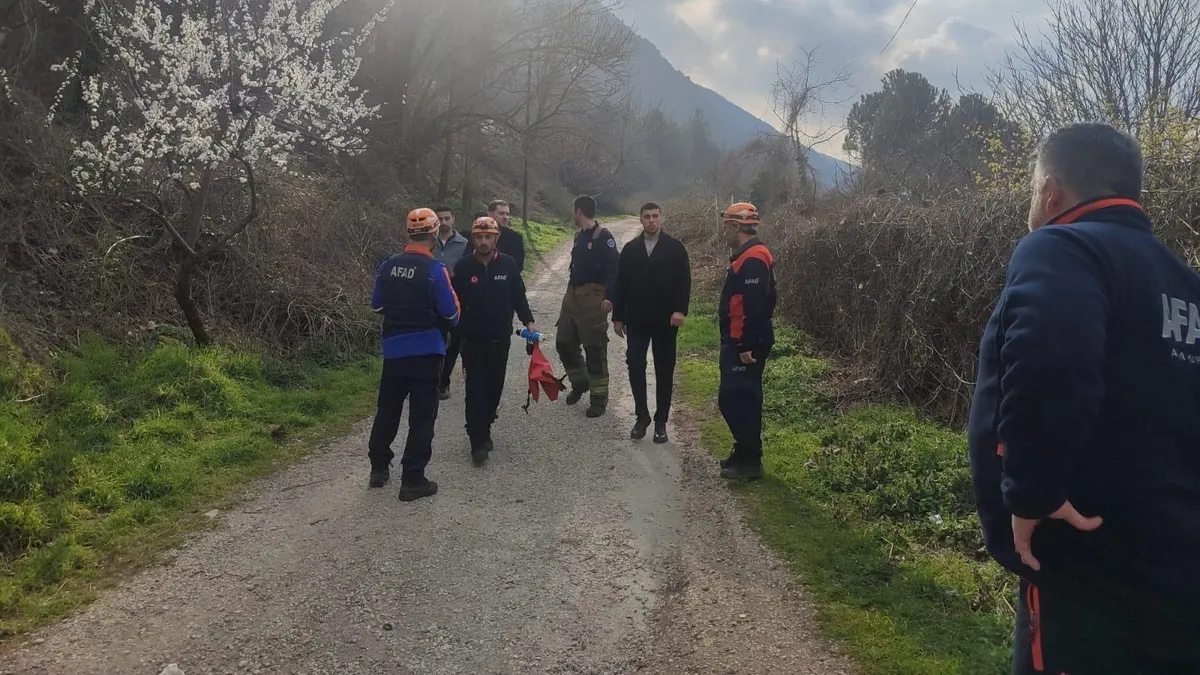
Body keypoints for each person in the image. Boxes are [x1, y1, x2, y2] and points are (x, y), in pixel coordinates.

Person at [968, 122, 1200, 674]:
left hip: (1084, 561)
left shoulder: (1061, 245)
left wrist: (1032, 493)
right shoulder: (1184, 282)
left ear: (1051, 191)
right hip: (1175, 566)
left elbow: (1051, 352)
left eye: (1032, 192)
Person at [368, 207, 460, 502]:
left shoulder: (387, 266)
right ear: (433, 234)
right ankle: (413, 479)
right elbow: (452, 313)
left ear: (408, 233)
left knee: (387, 410)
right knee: (422, 416)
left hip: (394, 350)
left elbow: (377, 306)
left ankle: (379, 469)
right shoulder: (435, 270)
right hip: (427, 350)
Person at [452, 216, 536, 464]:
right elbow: (453, 301)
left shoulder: (508, 265)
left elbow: (518, 297)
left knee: (495, 386)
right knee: (475, 389)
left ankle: (486, 424)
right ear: (473, 239)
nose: (484, 241)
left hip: (500, 338)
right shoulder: (464, 267)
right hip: (472, 339)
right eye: (479, 236)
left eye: (488, 236)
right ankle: (477, 440)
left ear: (496, 238)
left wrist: (528, 322)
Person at [612, 201, 691, 443]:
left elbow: (684, 282)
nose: (651, 220)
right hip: (636, 319)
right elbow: (621, 284)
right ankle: (642, 416)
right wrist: (617, 317)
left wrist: (680, 311)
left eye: (655, 216)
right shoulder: (630, 249)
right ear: (640, 219)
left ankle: (660, 421)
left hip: (666, 320)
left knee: (664, 370)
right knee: (635, 365)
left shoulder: (675, 248)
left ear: (661, 218)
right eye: (647, 216)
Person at [716, 202, 775, 480]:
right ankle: (744, 451)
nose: (724, 232)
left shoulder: (753, 259)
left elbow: (754, 307)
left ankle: (751, 460)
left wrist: (746, 346)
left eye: (726, 226)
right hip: (739, 342)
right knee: (735, 398)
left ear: (736, 226)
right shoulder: (748, 255)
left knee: (738, 400)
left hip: (745, 345)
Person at [434, 205, 470, 401]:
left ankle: (444, 381)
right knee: (434, 339)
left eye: (447, 218)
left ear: (453, 219)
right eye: (440, 218)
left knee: (454, 343)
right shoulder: (430, 242)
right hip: (431, 299)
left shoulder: (464, 244)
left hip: (456, 298)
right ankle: (431, 379)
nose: (444, 222)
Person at [488, 199, 526, 272]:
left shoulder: (515, 238)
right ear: (490, 214)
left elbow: (519, 265)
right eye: (501, 213)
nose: (505, 217)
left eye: (507, 214)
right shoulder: (478, 236)